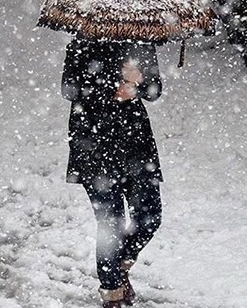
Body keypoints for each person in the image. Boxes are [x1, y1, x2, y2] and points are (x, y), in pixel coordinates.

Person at [61, 38, 163, 308]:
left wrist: (138, 83)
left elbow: (154, 91)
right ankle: (112, 292)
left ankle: (116, 267)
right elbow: (70, 89)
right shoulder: (82, 43)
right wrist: (115, 83)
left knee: (150, 216)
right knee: (111, 224)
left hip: (136, 146)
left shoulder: (141, 42)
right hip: (94, 145)